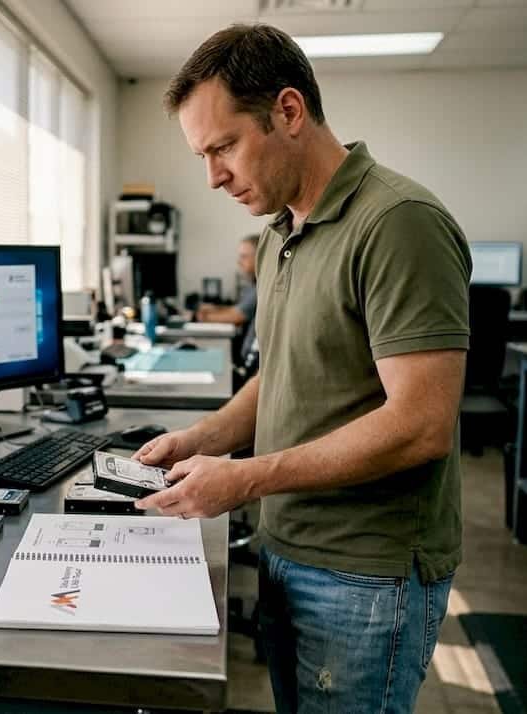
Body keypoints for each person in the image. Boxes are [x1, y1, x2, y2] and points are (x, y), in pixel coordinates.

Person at [134, 24, 471, 714]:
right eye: (203, 154)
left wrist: (246, 476)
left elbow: (422, 425)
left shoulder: (397, 222)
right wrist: (203, 440)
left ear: (288, 111)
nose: (213, 175)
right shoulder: (281, 233)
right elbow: (284, 375)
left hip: (364, 575)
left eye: (223, 146)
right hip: (290, 545)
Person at [196, 234, 260, 369]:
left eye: (244, 256)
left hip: (249, 364)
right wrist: (213, 308)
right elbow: (236, 309)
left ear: (260, 256)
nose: (239, 262)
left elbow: (236, 317)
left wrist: (201, 317)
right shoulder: (252, 284)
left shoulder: (261, 287)